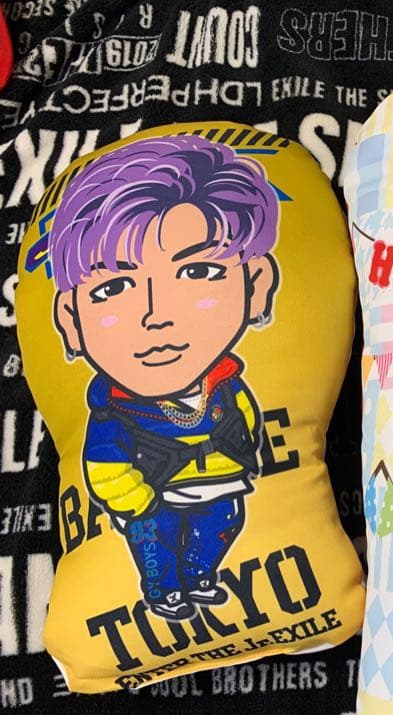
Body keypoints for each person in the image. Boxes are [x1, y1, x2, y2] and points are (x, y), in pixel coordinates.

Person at [49, 135, 280, 622]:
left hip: (221, 488)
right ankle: (164, 591)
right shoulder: (112, 410)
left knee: (219, 530)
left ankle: (199, 577)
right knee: (155, 550)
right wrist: (138, 504)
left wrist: (243, 456)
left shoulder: (227, 384)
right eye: (114, 287)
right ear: (71, 320)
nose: (157, 316)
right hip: (151, 502)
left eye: (197, 272)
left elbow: (244, 416)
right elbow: (104, 465)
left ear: (256, 287)